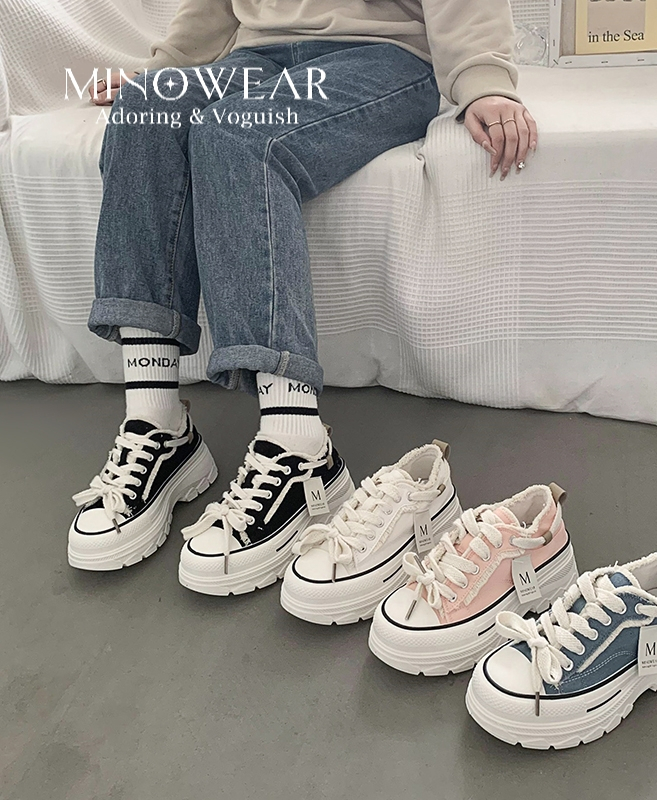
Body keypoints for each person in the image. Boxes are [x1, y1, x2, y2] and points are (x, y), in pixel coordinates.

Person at [68, 0, 538, 595]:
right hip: (258, 57)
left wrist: (484, 80)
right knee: (147, 109)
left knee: (236, 134)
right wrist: (167, 70)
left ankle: (299, 445)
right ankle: (158, 425)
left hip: (382, 56)